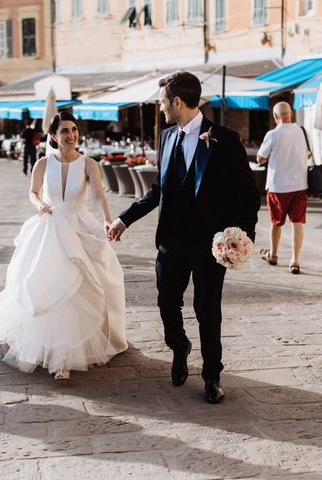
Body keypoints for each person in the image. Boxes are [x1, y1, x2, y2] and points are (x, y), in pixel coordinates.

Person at [107, 71, 260, 404]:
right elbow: (160, 189)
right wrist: (125, 219)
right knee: (166, 303)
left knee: (208, 310)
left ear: (177, 102)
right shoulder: (166, 137)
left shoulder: (225, 138)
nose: (160, 108)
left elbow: (249, 192)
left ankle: (212, 376)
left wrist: (241, 236)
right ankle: (179, 347)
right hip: (171, 241)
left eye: (162, 102)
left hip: (211, 244)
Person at [0, 111, 127, 381]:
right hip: (49, 226)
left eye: (74, 130)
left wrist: (108, 221)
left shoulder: (89, 164)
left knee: (82, 287)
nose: (71, 135)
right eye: (64, 131)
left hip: (80, 227)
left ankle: (67, 356)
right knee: (48, 284)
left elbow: (97, 196)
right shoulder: (41, 164)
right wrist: (40, 206)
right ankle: (56, 356)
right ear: (52, 136)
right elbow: (33, 192)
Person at [256, 102, 309, 275]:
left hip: (278, 185)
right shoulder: (302, 131)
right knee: (297, 222)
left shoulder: (272, 134)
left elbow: (260, 158)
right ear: (291, 114)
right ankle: (295, 260)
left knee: (276, 222)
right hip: (300, 184)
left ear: (275, 116)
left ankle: (274, 254)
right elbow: (309, 153)